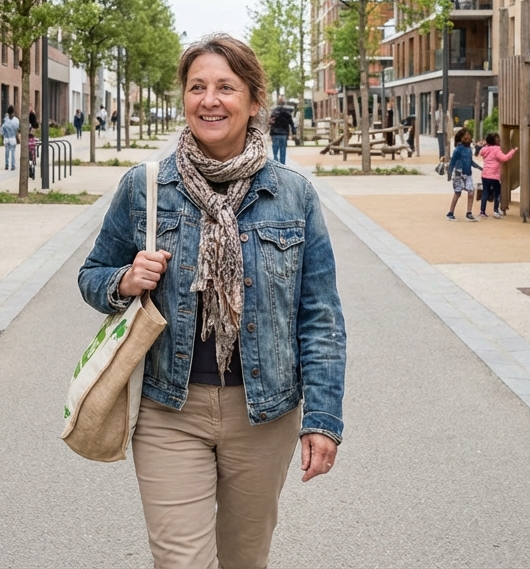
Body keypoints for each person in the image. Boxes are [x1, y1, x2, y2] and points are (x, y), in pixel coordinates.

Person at [78, 34, 346, 569]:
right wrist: (125, 279)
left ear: (252, 99)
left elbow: (320, 317)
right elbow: (92, 275)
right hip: (167, 407)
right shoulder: (146, 187)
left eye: (225, 87)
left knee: (245, 560)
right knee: (181, 561)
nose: (210, 99)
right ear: (184, 98)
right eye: (197, 87)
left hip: (264, 412)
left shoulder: (293, 194)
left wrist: (322, 417)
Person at [446, 128, 482, 222]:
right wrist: (449, 174)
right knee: (457, 193)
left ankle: (469, 213)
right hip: (458, 174)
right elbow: (453, 162)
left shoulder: (469, 149)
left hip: (468, 174)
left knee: (471, 191)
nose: (468, 137)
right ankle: (450, 213)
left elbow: (470, 161)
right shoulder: (458, 149)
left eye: (469, 135)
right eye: (465, 135)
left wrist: (479, 167)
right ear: (461, 138)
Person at [477, 133, 517, 218]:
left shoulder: (485, 149)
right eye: (497, 138)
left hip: (485, 175)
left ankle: (482, 211)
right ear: (494, 141)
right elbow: (504, 158)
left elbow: (480, 152)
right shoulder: (496, 150)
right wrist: (513, 151)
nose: (499, 139)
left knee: (485, 193)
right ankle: (496, 211)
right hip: (494, 176)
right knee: (497, 193)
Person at [268, 99, 297, 164]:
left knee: (275, 149)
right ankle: (282, 164)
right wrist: (293, 131)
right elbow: (291, 123)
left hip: (275, 134)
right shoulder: (287, 112)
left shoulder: (274, 112)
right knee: (283, 150)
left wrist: (270, 131)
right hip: (283, 134)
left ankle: (275, 161)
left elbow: (270, 122)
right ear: (284, 104)